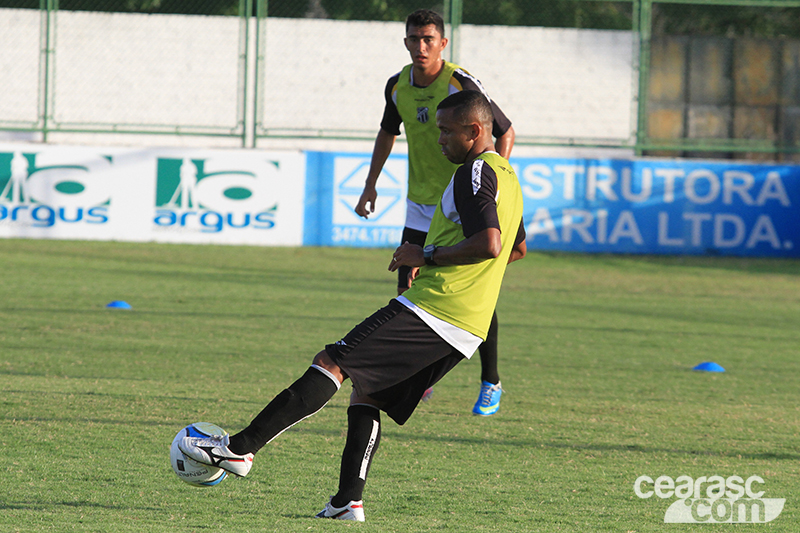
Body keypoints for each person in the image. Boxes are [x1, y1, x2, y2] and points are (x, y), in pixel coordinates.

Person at [178, 91, 526, 522]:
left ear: (474, 130)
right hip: (467, 325)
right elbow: (516, 249)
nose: (438, 140)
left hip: (436, 308)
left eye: (446, 131)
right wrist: (466, 275)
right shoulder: (508, 175)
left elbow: (490, 244)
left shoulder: (474, 171)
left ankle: (240, 449)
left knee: (332, 362)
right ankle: (347, 502)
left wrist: (427, 255)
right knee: (367, 393)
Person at [355, 9, 516, 415]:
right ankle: (414, 376)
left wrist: (492, 181)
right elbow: (387, 132)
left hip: (463, 205)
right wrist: (370, 184)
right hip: (420, 203)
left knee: (472, 288)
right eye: (414, 38)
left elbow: (504, 130)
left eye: (429, 39)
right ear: (405, 42)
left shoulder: (460, 83)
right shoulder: (397, 86)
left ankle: (491, 380)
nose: (421, 46)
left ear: (443, 43)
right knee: (407, 289)